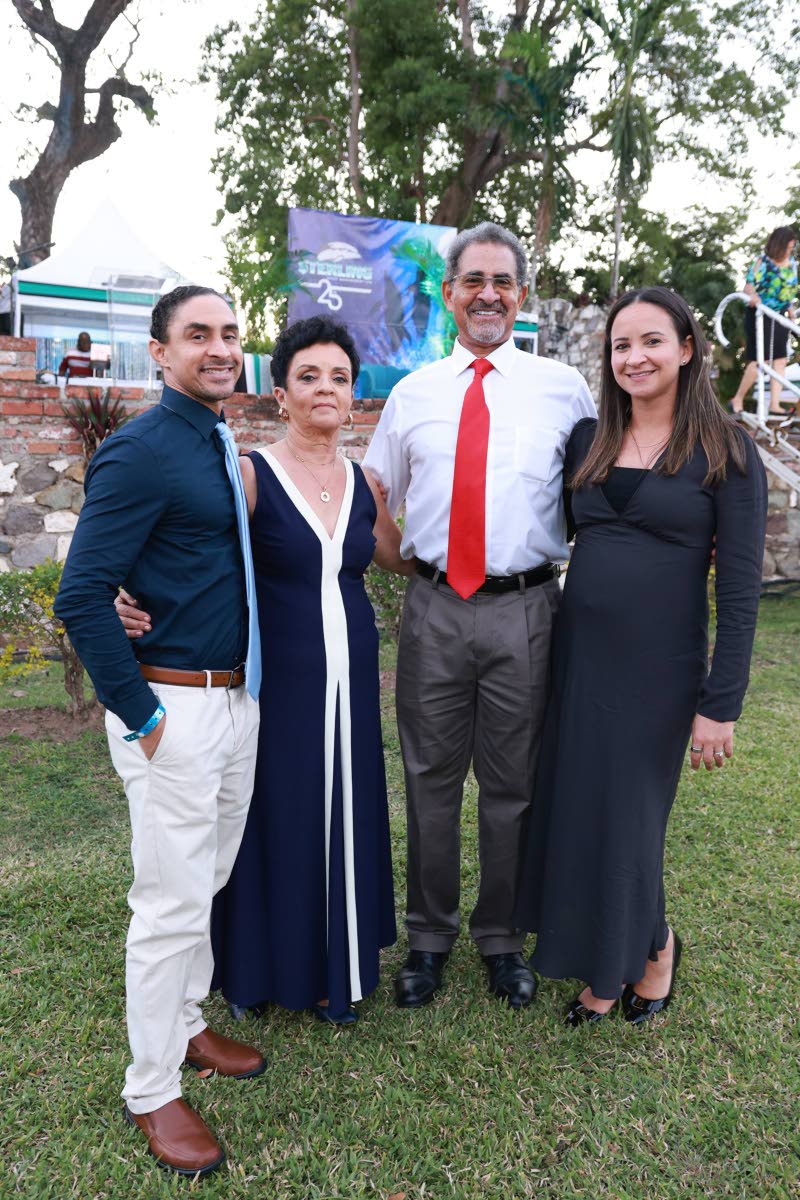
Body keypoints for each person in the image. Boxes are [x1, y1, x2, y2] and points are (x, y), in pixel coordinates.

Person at [117, 316, 409, 1027]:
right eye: (308, 376)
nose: (324, 389)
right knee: (278, 818)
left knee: (347, 809)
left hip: (353, 678)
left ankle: (340, 966)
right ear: (279, 393)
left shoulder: (365, 482)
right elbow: (183, 545)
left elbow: (402, 556)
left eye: (339, 377)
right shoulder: (249, 474)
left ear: (354, 395)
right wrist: (117, 590)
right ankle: (262, 971)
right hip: (278, 682)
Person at [54, 286, 266, 1179]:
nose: (218, 348)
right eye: (197, 335)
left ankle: (184, 1026)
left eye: (228, 332)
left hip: (233, 700)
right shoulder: (140, 448)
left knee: (206, 878)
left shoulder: (217, 437)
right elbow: (80, 595)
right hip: (170, 708)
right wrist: (140, 719)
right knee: (169, 904)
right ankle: (151, 1088)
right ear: (159, 350)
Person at [514, 286, 767, 1026]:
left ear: (686, 348)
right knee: (580, 810)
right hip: (578, 659)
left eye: (651, 341)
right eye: (621, 346)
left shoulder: (726, 450)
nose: (635, 357)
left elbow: (743, 593)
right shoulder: (588, 438)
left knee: (629, 820)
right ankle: (614, 956)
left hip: (660, 671)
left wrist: (720, 704)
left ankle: (649, 950)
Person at [363, 221, 596, 1011]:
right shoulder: (413, 393)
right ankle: (428, 937)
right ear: (449, 293)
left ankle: (501, 938)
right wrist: (416, 574)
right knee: (428, 779)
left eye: (503, 281)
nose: (488, 294)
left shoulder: (564, 389)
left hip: (527, 609)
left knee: (512, 784)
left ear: (521, 295)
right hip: (433, 607)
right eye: (473, 280)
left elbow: (595, 494)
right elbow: (375, 499)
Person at [730, 226, 798, 417]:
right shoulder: (763, 262)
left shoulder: (791, 263)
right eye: (788, 247)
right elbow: (748, 286)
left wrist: (791, 309)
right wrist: (753, 296)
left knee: (781, 359)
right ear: (779, 244)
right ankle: (738, 398)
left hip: (780, 315)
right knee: (760, 361)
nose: (789, 251)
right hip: (759, 314)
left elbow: (789, 290)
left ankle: (774, 405)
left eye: (792, 247)